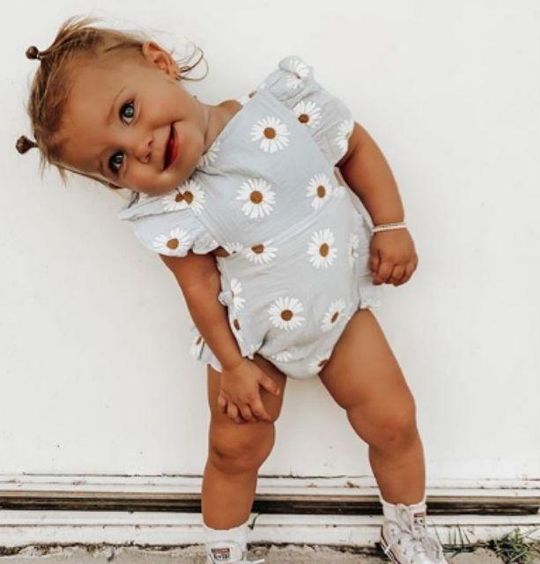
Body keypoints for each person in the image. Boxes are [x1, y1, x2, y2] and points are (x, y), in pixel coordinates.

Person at [16, 15, 449, 564]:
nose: (140, 147)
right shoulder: (174, 208)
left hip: (340, 315)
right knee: (234, 449)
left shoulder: (281, 109)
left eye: (128, 112)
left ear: (160, 63)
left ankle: (407, 526)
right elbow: (198, 290)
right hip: (248, 343)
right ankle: (225, 550)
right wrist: (233, 365)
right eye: (116, 160)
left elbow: (354, 146)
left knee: (392, 418)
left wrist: (391, 223)